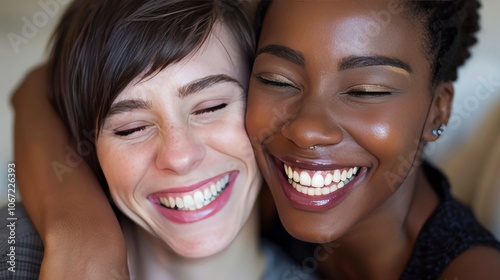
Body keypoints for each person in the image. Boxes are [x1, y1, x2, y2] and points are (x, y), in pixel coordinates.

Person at [2, 0, 307, 279]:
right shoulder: (14, 251)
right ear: (91, 152)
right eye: (131, 128)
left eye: (211, 107)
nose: (179, 156)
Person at [246, 0, 500, 279]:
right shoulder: (252, 198)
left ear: (438, 111)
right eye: (277, 80)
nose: (306, 131)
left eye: (367, 91)